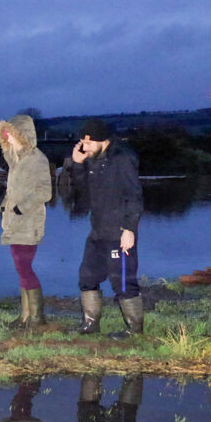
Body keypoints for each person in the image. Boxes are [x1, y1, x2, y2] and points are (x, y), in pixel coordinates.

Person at [64, 119, 144, 338]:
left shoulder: (122, 158)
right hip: (97, 231)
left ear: (103, 141)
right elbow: (82, 195)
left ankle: (135, 331)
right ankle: (90, 324)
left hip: (119, 232)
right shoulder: (92, 159)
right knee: (87, 277)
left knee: (123, 282)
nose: (83, 146)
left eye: (88, 143)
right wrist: (78, 164)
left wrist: (129, 229)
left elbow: (134, 196)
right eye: (81, 142)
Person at [0, 113, 53, 329]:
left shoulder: (38, 159)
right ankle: (26, 317)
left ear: (23, 134)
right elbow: (14, 189)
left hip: (29, 222)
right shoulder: (16, 159)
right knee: (21, 267)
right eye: (6, 132)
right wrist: (5, 204)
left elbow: (45, 191)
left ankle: (37, 318)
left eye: (12, 132)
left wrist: (22, 207)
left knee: (24, 266)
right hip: (13, 221)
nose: (7, 135)